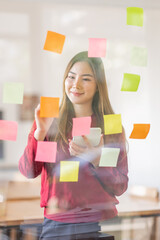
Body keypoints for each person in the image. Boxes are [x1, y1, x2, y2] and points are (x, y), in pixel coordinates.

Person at [19, 51, 128, 239]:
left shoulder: (110, 126)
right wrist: (40, 134)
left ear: (98, 87)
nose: (75, 85)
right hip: (57, 224)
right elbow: (29, 171)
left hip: (97, 223)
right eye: (71, 77)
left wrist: (97, 159)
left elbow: (120, 185)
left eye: (85, 79)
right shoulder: (50, 120)